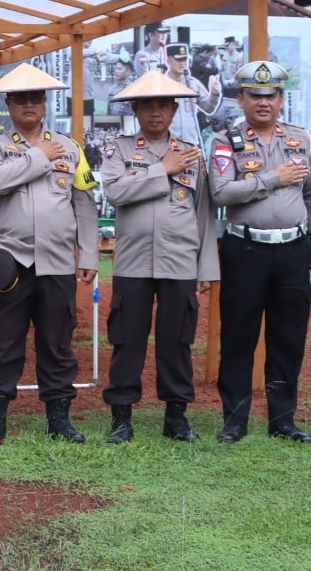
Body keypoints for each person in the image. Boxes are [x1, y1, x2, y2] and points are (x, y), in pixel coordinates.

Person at [0, 63, 98, 446]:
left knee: (58, 342)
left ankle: (59, 418)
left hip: (58, 261)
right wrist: (40, 156)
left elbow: (84, 203)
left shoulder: (71, 147)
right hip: (13, 261)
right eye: (21, 99)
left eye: (36, 98)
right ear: (9, 104)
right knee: (4, 342)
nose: (29, 104)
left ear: (44, 103)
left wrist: (90, 253)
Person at [97, 72, 219, 444]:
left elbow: (203, 213)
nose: (155, 112)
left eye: (162, 105)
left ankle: (176, 417)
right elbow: (116, 192)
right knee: (126, 339)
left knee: (177, 340)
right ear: (135, 109)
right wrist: (161, 169)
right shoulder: (117, 149)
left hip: (180, 261)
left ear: (174, 109)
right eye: (147, 105)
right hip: (133, 262)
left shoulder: (191, 155)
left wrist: (205, 266)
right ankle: (122, 417)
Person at [208, 60, 311, 444]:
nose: (263, 102)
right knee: (239, 337)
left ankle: (283, 420)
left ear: (280, 99)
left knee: (288, 338)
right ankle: (235, 420)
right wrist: (272, 178)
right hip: (246, 249)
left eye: (271, 95)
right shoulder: (226, 141)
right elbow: (221, 193)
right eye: (254, 95)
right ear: (241, 99)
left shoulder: (301, 139)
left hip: (292, 250)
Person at [163, 43, 219, 148]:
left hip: (191, 143)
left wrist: (214, 94)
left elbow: (208, 108)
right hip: (168, 145)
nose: (182, 63)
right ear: (168, 61)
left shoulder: (193, 83)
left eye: (185, 59)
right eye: (178, 60)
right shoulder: (160, 85)